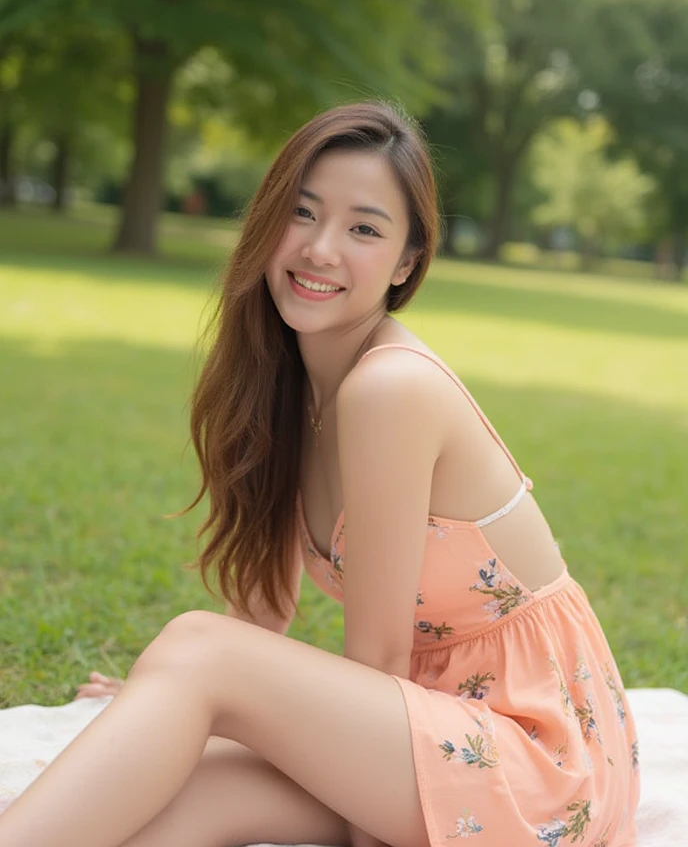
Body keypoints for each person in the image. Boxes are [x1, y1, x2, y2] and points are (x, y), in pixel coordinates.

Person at [0, 101, 639, 847]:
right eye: (302, 214)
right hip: (426, 726)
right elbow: (264, 610)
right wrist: (163, 707)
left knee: (195, 650)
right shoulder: (289, 388)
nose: (320, 249)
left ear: (406, 262)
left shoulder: (389, 389)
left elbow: (377, 659)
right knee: (175, 802)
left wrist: (200, 685)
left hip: (537, 764)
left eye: (364, 228)